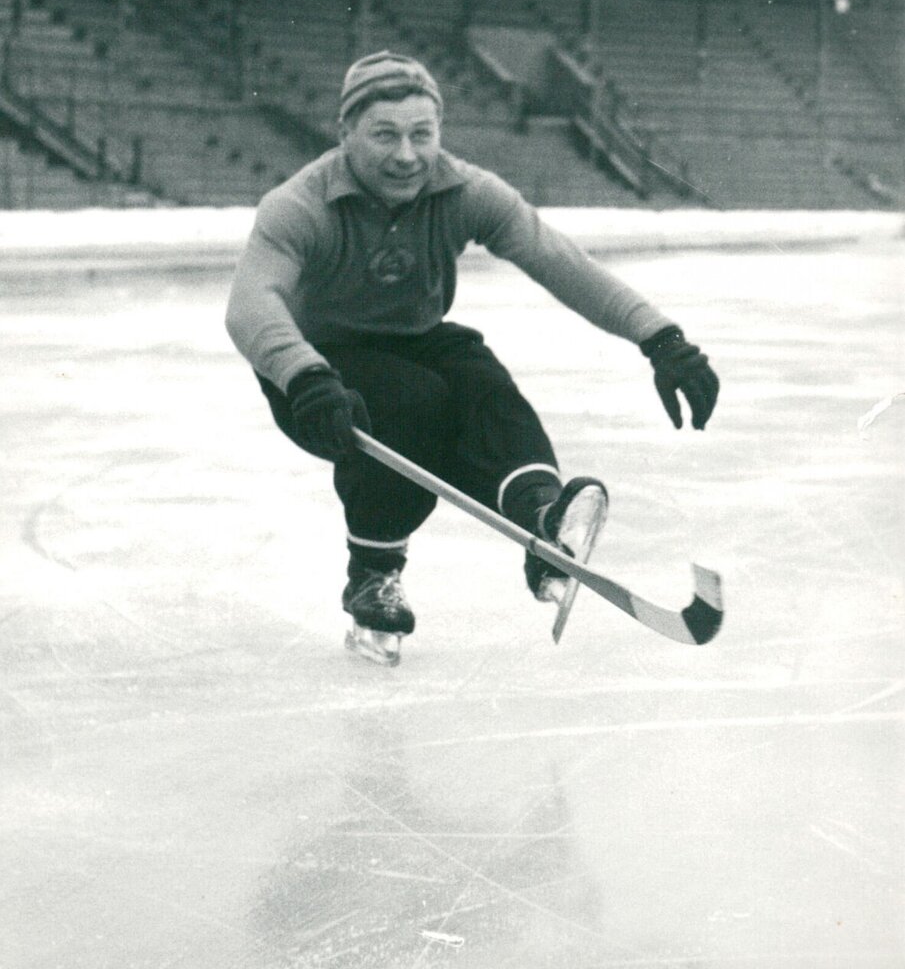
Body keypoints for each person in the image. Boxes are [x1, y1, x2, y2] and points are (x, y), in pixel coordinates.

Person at [225, 51, 719, 664]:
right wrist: (301, 374)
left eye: (421, 134)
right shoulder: (300, 204)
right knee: (410, 401)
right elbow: (249, 305)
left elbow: (559, 261)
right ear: (345, 133)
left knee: (482, 383)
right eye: (384, 135)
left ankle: (543, 519)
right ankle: (373, 574)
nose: (407, 155)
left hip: (415, 335)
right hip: (315, 366)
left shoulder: (462, 189)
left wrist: (660, 338)